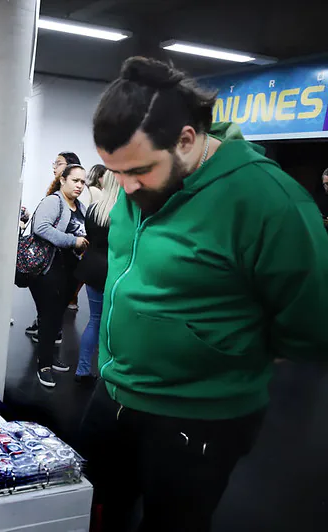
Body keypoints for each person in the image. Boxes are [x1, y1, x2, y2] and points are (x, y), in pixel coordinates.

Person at [79, 56, 328, 532]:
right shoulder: (139, 187)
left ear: (187, 139)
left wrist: (215, 351)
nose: (126, 188)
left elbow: (311, 324)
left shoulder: (269, 201)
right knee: (90, 516)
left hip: (197, 420)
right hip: (113, 395)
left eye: (139, 171)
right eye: (116, 172)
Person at [26, 164, 88, 387]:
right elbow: (41, 228)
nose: (80, 185)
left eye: (83, 182)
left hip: (69, 270)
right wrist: (73, 241)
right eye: (75, 180)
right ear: (63, 180)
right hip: (48, 268)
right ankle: (43, 365)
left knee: (56, 318)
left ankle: (50, 358)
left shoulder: (79, 206)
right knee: (49, 317)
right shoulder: (54, 201)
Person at [72, 170, 118, 385]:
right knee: (112, 325)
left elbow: (89, 238)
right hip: (113, 272)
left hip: (91, 269)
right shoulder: (123, 213)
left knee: (95, 320)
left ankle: (82, 369)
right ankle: (106, 372)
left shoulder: (92, 210)